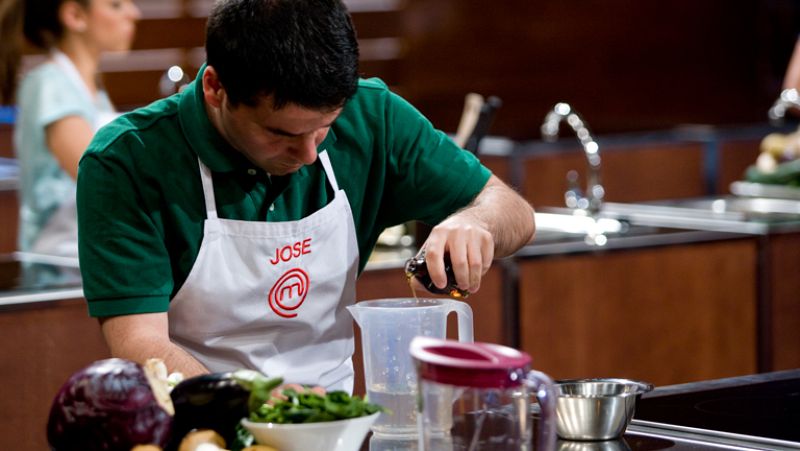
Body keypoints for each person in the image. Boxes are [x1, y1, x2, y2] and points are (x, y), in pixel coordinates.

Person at [77, 0, 536, 393]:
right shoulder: (127, 160)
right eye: (281, 134)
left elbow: (512, 210)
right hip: (200, 427)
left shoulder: (373, 116)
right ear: (216, 88)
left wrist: (477, 223)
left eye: (325, 127)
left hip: (338, 424)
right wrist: (255, 403)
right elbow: (141, 346)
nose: (309, 153)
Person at [0, 0, 140, 258]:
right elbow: (100, 176)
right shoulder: (49, 84)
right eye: (116, 5)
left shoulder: (92, 89)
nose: (134, 13)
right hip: (59, 263)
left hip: (92, 254)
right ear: (75, 15)